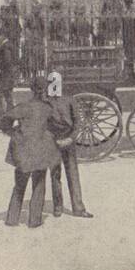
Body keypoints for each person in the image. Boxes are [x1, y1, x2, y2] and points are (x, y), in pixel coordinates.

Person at [1, 75, 60, 228]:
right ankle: (34, 220)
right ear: (45, 90)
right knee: (39, 185)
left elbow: (3, 120)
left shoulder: (23, 106)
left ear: (31, 89)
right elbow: (58, 125)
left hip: (23, 152)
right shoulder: (48, 108)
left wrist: (12, 132)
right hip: (41, 151)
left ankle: (12, 219)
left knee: (19, 185)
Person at [47, 87, 93, 218]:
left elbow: (77, 122)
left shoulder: (70, 100)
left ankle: (78, 208)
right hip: (53, 142)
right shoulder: (45, 102)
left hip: (69, 142)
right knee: (55, 174)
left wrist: (70, 138)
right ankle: (58, 207)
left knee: (73, 174)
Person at [0, 38, 17, 121]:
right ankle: (10, 117)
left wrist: (1, 69)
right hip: (9, 76)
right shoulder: (9, 45)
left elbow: (7, 61)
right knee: (8, 97)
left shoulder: (5, 47)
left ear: (2, 36)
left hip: (6, 76)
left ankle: (2, 118)